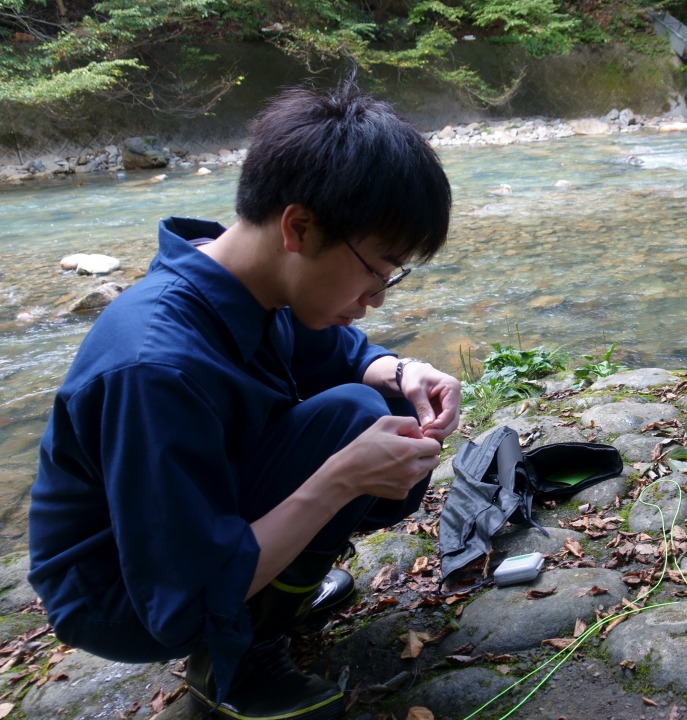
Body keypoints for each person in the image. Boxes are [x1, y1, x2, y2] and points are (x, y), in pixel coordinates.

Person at [27, 74, 459, 720]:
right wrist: (338, 481)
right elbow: (180, 592)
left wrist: (402, 370)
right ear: (299, 227)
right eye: (377, 268)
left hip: (188, 531)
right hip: (125, 591)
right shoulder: (154, 367)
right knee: (355, 431)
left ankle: (271, 599)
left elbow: (334, 353)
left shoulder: (244, 279)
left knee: (386, 406)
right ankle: (236, 655)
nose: (378, 297)